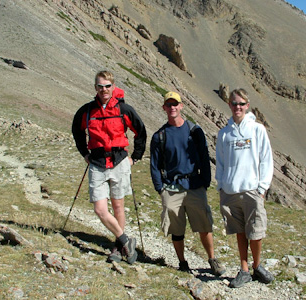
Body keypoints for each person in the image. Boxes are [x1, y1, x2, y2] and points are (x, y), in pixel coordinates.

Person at [72, 70, 147, 264]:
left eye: (107, 86)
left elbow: (140, 131)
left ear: (113, 87)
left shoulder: (124, 109)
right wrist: (85, 154)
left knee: (118, 206)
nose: (104, 89)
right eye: (100, 86)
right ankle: (126, 240)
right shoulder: (87, 111)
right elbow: (77, 131)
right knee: (100, 209)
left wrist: (135, 157)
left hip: (119, 161)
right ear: (95, 88)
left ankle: (117, 247)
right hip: (97, 163)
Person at [150, 91, 225, 276]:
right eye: (169, 104)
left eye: (175, 104)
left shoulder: (194, 131)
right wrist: (160, 188)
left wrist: (205, 181)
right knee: (176, 228)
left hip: (194, 185)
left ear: (181, 106)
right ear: (164, 108)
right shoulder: (159, 136)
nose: (172, 107)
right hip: (171, 188)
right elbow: (154, 165)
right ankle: (182, 262)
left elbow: (205, 157)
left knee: (204, 225)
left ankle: (212, 259)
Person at [215, 88, 274, 288]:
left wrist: (262, 187)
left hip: (252, 190)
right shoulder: (224, 133)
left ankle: (257, 266)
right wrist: (221, 186)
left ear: (247, 106)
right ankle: (244, 269)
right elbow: (220, 162)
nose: (237, 107)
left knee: (256, 231)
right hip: (230, 190)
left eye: (241, 103)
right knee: (240, 231)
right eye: (234, 103)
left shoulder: (257, 130)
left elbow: (266, 159)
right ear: (229, 105)